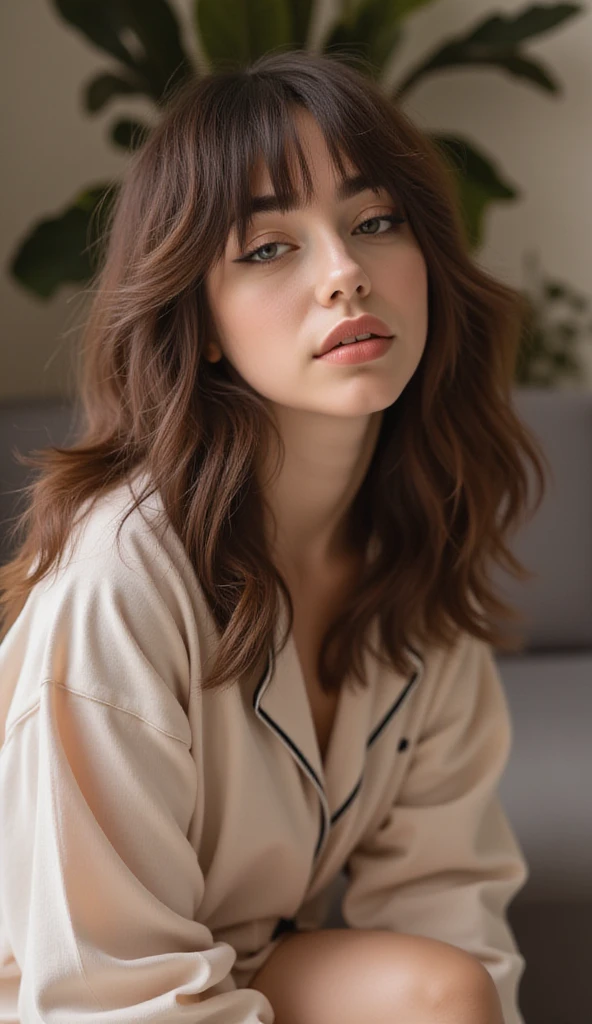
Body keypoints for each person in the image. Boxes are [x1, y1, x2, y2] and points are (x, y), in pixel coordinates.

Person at [0, 48, 550, 1023]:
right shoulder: (122, 577)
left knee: (443, 987)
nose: (344, 274)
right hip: (61, 994)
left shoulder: (412, 540)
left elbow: (447, 903)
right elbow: (108, 994)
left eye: (374, 222)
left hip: (230, 960)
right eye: (267, 248)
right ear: (200, 319)